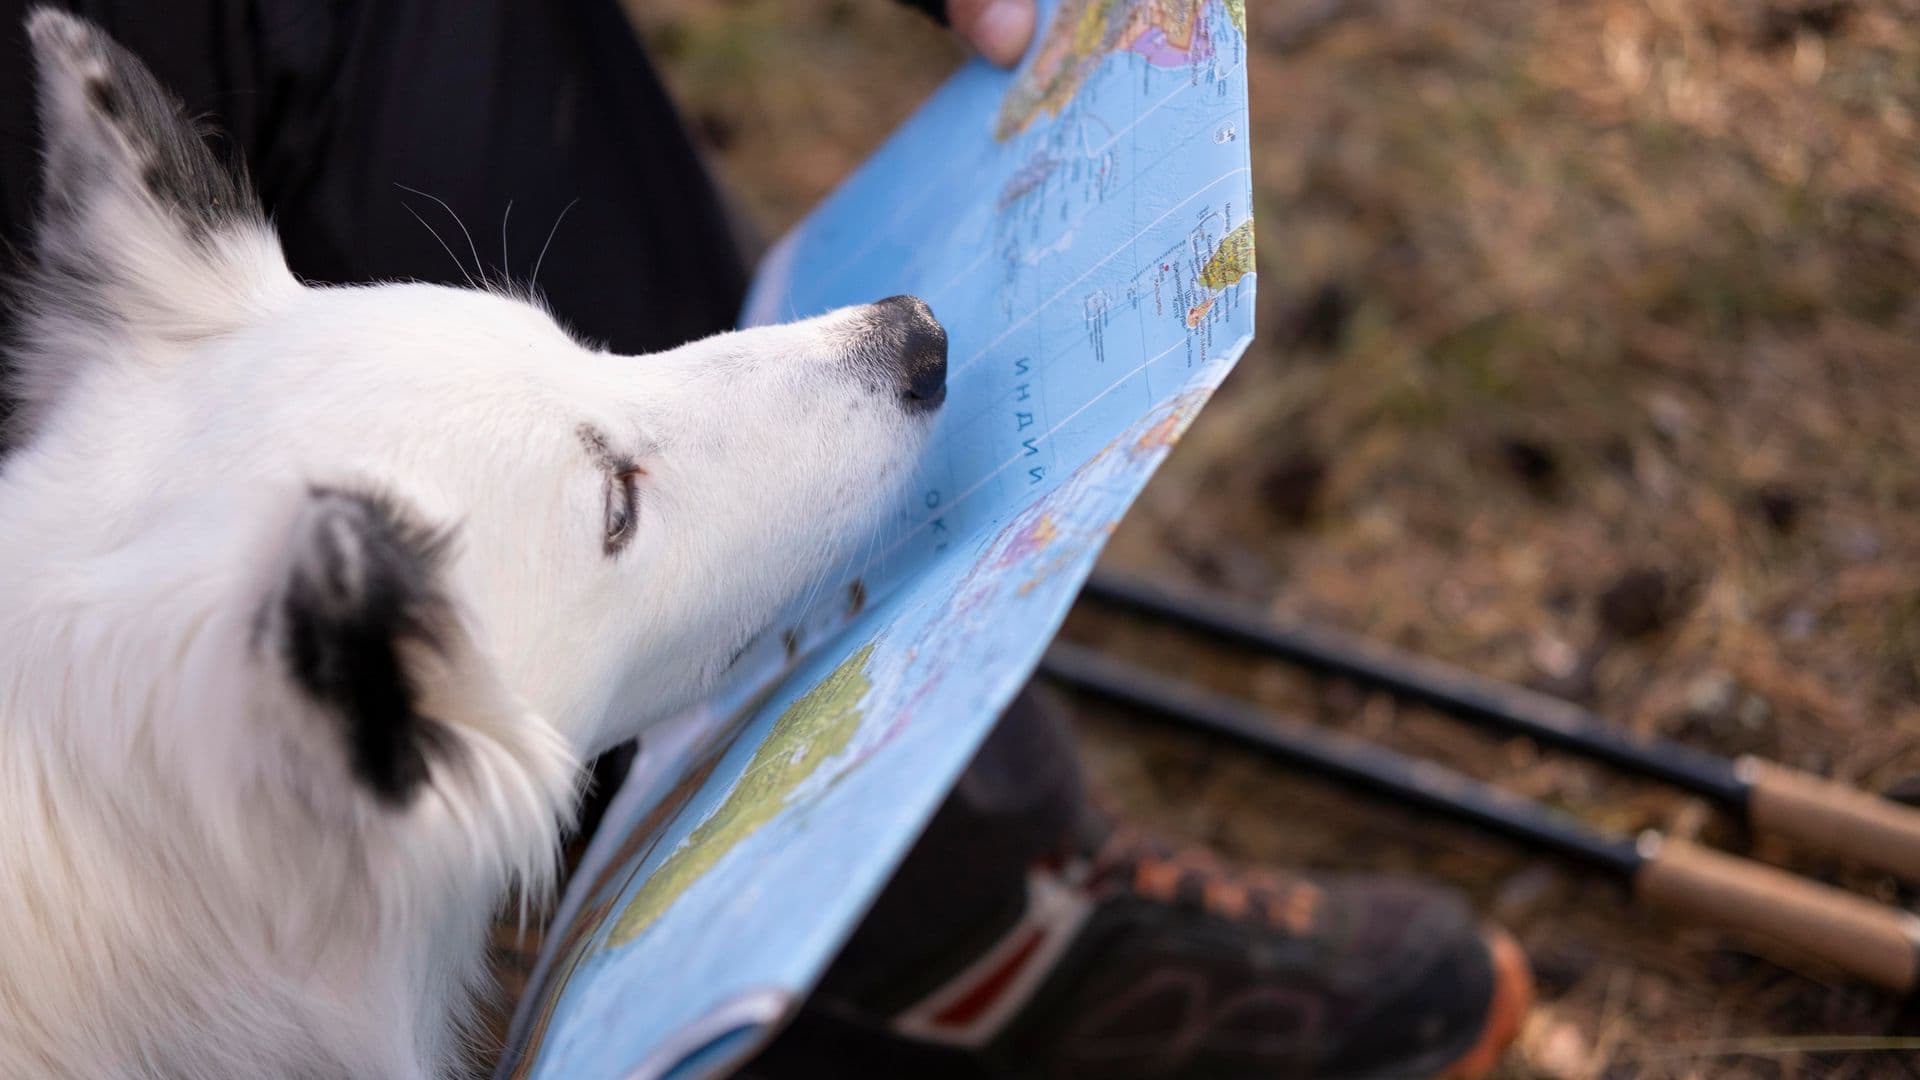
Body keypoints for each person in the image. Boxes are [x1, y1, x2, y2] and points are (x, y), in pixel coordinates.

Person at [0, 2, 1529, 1076]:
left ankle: (937, 921)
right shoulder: (332, 656)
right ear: (380, 707)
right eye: (619, 499)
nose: (863, 354)